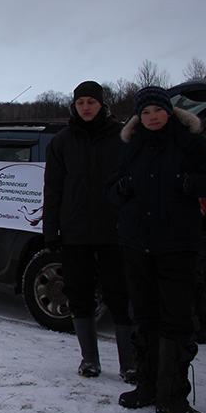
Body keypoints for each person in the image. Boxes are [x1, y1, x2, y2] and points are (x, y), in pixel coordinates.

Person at [109, 86, 206, 413]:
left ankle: (174, 396)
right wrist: (120, 190)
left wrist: (189, 183)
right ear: (139, 117)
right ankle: (147, 386)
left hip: (177, 245)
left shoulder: (190, 143)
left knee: (177, 320)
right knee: (144, 316)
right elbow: (112, 187)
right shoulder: (132, 145)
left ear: (169, 112)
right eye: (146, 112)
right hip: (136, 244)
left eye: (158, 110)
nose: (152, 117)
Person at [43, 81, 134, 381]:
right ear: (74, 106)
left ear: (102, 105)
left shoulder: (122, 137)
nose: (85, 107)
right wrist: (51, 230)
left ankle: (129, 363)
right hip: (76, 232)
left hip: (114, 231)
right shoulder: (62, 141)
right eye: (80, 102)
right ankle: (89, 360)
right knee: (79, 295)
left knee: (120, 295)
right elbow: (52, 188)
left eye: (91, 102)